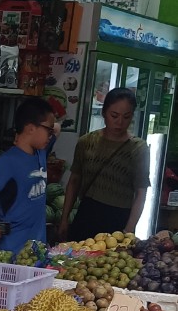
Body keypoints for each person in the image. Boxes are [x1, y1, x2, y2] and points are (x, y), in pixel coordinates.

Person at [59, 88, 149, 241]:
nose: (120, 122)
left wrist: (129, 230)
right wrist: (64, 219)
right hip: (86, 215)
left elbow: (141, 192)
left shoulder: (138, 148)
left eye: (126, 117)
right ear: (104, 113)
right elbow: (74, 181)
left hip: (118, 220)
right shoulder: (86, 142)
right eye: (114, 115)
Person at [0, 97, 56, 260]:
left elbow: (56, 127)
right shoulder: (9, 161)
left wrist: (48, 125)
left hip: (37, 250)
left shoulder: (41, 153)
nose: (51, 135)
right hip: (10, 251)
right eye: (48, 131)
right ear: (31, 128)